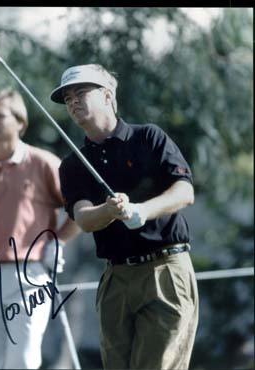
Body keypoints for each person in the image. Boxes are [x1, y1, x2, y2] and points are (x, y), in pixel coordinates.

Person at [50, 64, 199, 370]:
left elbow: (184, 192)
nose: (73, 102)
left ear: (107, 95)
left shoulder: (149, 138)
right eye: (67, 99)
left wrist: (142, 210)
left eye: (81, 93)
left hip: (165, 270)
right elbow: (84, 219)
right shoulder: (72, 165)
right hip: (116, 278)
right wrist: (109, 210)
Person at [0, 88, 80, 369]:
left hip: (29, 277)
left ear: (20, 123)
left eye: (0, 116)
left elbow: (78, 211)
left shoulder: (43, 163)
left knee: (22, 360)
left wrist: (57, 242)